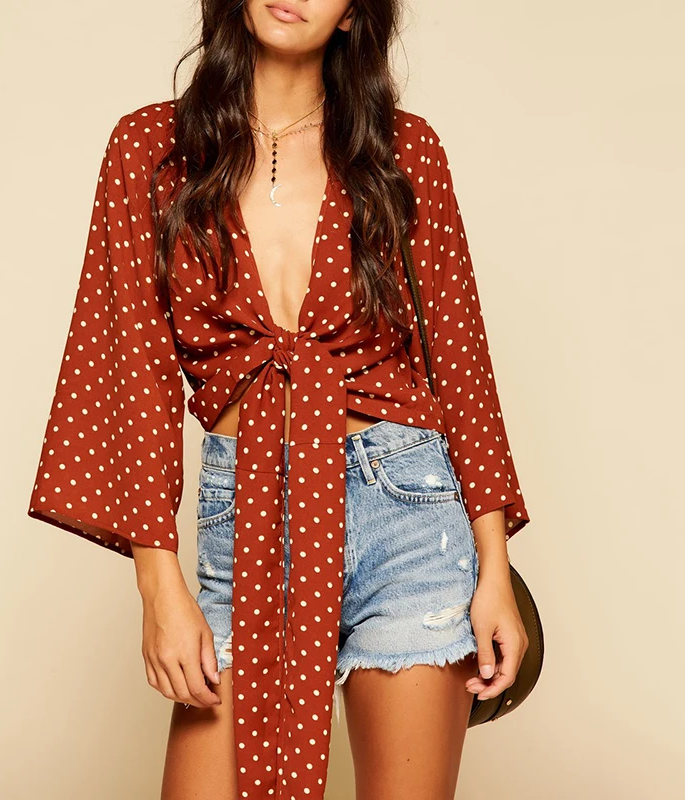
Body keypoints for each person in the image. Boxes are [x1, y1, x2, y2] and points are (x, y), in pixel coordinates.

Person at [27, 1, 532, 798]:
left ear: (353, 13)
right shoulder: (152, 151)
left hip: (406, 516)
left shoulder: (406, 152)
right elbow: (131, 369)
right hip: (246, 514)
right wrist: (158, 585)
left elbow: (461, 364)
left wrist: (494, 569)